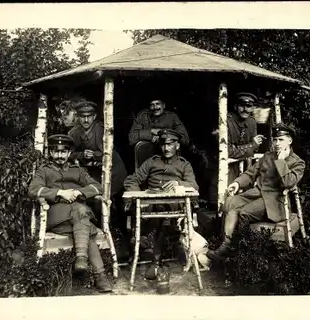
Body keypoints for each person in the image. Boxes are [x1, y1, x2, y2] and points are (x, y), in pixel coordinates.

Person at [207, 123, 305, 261]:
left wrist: (281, 161)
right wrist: (237, 183)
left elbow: (288, 182)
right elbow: (251, 173)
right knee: (230, 203)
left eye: (281, 140)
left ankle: (239, 250)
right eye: (275, 139)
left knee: (245, 213)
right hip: (256, 194)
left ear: (290, 140)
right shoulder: (268, 156)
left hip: (275, 201)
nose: (277, 143)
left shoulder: (298, 163)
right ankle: (226, 245)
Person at [28, 134, 113, 293]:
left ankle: (93, 270)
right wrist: (60, 192)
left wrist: (78, 192)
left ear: (69, 153)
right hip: (55, 216)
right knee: (83, 215)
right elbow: (33, 190)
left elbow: (97, 187)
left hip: (75, 218)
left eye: (63, 152)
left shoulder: (77, 171)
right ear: (51, 153)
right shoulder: (44, 171)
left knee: (82, 221)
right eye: (56, 152)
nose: (60, 155)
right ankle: (95, 271)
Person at [123, 129, 199, 279]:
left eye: (170, 144)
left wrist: (178, 183)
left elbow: (194, 186)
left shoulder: (184, 165)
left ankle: (154, 258)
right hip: (150, 204)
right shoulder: (152, 162)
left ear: (177, 146)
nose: (166, 148)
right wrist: (139, 196)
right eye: (164, 144)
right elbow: (132, 180)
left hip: (174, 205)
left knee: (163, 211)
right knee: (158, 209)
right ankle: (158, 256)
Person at [67, 101, 129, 253]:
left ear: (94, 116)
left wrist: (93, 154)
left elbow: (109, 151)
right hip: (94, 174)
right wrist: (81, 154)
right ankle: (101, 245)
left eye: (89, 116)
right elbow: (68, 153)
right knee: (93, 204)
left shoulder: (104, 130)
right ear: (77, 117)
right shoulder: (73, 133)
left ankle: (121, 244)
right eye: (82, 117)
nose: (86, 120)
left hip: (114, 172)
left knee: (112, 206)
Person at [226, 92, 266, 183]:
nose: (245, 110)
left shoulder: (252, 122)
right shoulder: (226, 121)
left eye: (249, 106)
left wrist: (253, 146)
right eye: (242, 106)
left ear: (252, 108)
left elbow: (255, 150)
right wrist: (251, 145)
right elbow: (227, 150)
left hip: (245, 167)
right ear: (235, 106)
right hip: (225, 169)